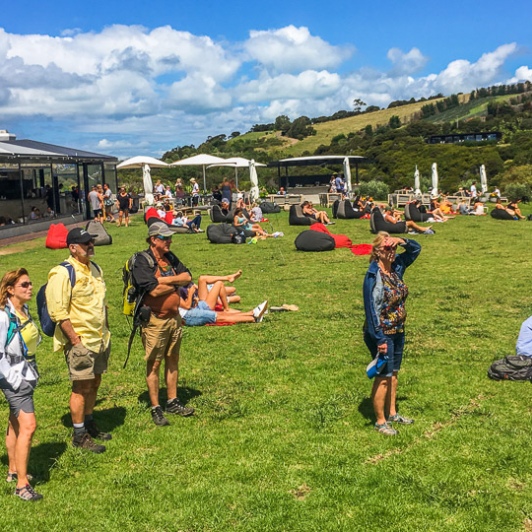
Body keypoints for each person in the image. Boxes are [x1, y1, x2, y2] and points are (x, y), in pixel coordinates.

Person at [46, 228, 111, 453]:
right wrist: (75, 341)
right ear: (72, 248)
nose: (90, 246)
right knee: (81, 386)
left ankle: (89, 421)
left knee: (95, 382)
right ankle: (79, 434)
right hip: (81, 341)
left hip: (100, 338)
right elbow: (59, 312)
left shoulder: (94, 268)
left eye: (91, 242)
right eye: (84, 243)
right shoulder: (62, 273)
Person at [131, 222, 195, 426]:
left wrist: (167, 281)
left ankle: (172, 401)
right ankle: (156, 407)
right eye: (165, 238)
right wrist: (177, 282)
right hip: (154, 321)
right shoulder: (142, 261)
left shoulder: (170, 257)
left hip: (174, 319)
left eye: (169, 237)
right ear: (153, 239)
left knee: (173, 359)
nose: (170, 241)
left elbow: (188, 277)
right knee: (155, 363)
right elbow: (153, 291)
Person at [363, 232, 421, 436]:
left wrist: (402, 240)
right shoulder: (373, 276)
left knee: (393, 374)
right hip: (382, 333)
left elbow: (416, 249)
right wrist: (379, 339)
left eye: (393, 248)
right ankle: (380, 422)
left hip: (398, 330)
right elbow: (371, 310)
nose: (392, 252)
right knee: (383, 377)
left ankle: (392, 413)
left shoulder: (396, 267)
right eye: (387, 248)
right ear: (377, 251)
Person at [0, 269, 42, 501]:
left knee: (15, 422)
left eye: (30, 283)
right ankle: (22, 485)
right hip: (14, 376)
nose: (29, 288)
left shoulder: (22, 309)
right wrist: (14, 380)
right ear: (10, 289)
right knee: (29, 426)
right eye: (24, 285)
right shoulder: (3, 316)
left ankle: (13, 470)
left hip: (25, 372)